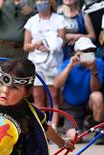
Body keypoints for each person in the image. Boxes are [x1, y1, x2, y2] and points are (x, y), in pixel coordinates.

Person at [54, 37, 104, 143]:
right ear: (76, 53)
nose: (88, 54)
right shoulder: (68, 63)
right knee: (75, 138)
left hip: (88, 104)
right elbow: (57, 84)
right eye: (84, 52)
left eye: (91, 51)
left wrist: (94, 70)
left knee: (97, 96)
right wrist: (70, 66)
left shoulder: (98, 63)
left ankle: (98, 130)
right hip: (71, 107)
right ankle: (70, 127)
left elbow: (95, 89)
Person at [24, 0, 66, 128]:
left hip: (53, 64)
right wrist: (34, 45)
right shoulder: (31, 21)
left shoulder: (58, 19)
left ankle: (52, 127)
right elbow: (26, 46)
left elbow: (62, 40)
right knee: (38, 97)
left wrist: (49, 46)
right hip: (37, 64)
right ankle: (40, 128)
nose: (41, 2)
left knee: (53, 97)